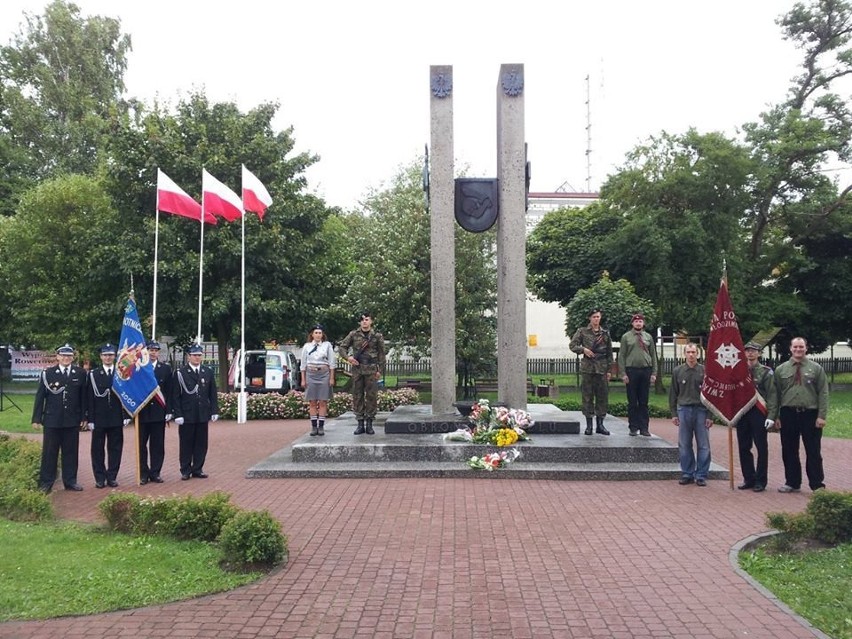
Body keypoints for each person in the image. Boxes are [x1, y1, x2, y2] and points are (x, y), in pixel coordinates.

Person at [774, 337, 829, 493]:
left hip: (810, 414)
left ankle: (817, 484)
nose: (798, 349)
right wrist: (776, 416)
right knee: (789, 449)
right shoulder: (781, 370)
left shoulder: (816, 369)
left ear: (806, 348)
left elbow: (823, 393)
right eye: (795, 347)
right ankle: (792, 482)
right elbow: (776, 395)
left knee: (813, 450)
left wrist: (822, 416)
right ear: (790, 349)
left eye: (801, 347)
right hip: (788, 413)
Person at [31, 343, 87, 493]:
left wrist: (83, 417)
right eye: (63, 355)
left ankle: (70, 481)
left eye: (69, 356)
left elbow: (83, 398)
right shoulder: (48, 373)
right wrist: (36, 418)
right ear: (57, 357)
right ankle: (46, 483)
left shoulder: (80, 373)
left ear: (73, 357)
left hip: (72, 420)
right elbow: (40, 397)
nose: (66, 358)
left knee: (71, 452)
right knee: (50, 453)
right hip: (52, 420)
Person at [172, 343, 218, 480]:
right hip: (187, 414)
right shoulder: (181, 373)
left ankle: (198, 468)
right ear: (188, 357)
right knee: (186, 443)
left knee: (201, 443)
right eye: (194, 355)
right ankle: (185, 470)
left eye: (199, 355)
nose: (197, 358)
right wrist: (178, 414)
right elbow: (175, 395)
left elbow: (212, 393)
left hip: (202, 413)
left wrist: (214, 410)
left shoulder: (207, 372)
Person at [669, 343, 713, 486]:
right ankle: (687, 473)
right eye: (688, 352)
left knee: (704, 445)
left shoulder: (705, 371)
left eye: (694, 352)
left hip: (701, 410)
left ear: (698, 354)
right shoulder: (678, 371)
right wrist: (674, 413)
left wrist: (710, 416)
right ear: (684, 354)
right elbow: (673, 394)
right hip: (684, 410)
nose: (691, 355)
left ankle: (701, 475)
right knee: (684, 444)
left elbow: (712, 395)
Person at [736, 342, 777, 492]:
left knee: (761, 447)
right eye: (747, 351)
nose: (750, 354)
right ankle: (749, 478)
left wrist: (772, 415)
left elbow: (772, 395)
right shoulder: (738, 372)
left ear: (759, 353)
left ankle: (761, 481)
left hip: (759, 413)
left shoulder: (766, 372)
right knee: (743, 447)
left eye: (753, 351)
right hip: (742, 413)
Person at [338, 311, 386, 435]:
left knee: (371, 396)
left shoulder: (377, 336)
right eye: (362, 320)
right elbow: (342, 347)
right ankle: (360, 423)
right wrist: (348, 358)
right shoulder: (353, 334)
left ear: (371, 321)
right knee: (357, 395)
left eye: (367, 319)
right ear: (360, 322)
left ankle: (369, 423)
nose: (364, 322)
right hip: (358, 369)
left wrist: (380, 370)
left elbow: (381, 354)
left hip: (371, 369)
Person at [87, 343, 127, 488]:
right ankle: (99, 477)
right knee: (97, 449)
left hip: (116, 417)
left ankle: (112, 476)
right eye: (105, 355)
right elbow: (90, 397)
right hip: (99, 417)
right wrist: (90, 418)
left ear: (115, 356)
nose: (108, 357)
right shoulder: (93, 374)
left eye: (110, 355)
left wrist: (126, 415)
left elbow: (126, 396)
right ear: (100, 357)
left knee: (115, 448)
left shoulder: (121, 373)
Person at [569, 308, 613, 435]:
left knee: (602, 397)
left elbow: (609, 353)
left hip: (602, 368)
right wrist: (584, 350)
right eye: (594, 317)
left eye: (598, 317)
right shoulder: (582, 331)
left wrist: (609, 370)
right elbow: (572, 345)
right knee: (587, 396)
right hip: (588, 368)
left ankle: (600, 425)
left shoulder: (605, 333)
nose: (596, 319)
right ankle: (589, 426)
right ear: (590, 318)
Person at [138, 340, 172, 484]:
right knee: (141, 445)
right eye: (150, 350)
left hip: (158, 412)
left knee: (157, 445)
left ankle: (155, 472)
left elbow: (170, 391)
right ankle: (143, 473)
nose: (153, 353)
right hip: (142, 412)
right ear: (146, 351)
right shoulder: (139, 368)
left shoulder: (165, 369)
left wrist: (169, 410)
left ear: (158, 352)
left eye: (155, 350)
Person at [617, 313, 657, 436]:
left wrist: (654, 373)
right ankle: (633, 427)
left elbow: (653, 355)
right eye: (636, 321)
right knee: (633, 401)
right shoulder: (626, 337)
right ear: (632, 323)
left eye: (640, 321)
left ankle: (644, 428)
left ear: (643, 323)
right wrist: (623, 373)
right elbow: (622, 355)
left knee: (644, 401)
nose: (638, 323)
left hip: (646, 370)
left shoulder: (648, 337)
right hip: (631, 371)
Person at [300, 324, 336, 436]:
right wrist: (303, 379)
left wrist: (331, 378)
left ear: (322, 334)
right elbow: (303, 364)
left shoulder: (327, 345)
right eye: (316, 333)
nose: (318, 335)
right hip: (311, 374)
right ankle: (313, 427)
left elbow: (331, 363)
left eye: (320, 333)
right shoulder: (307, 346)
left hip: (324, 374)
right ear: (312, 334)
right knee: (312, 401)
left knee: (323, 401)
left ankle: (321, 426)